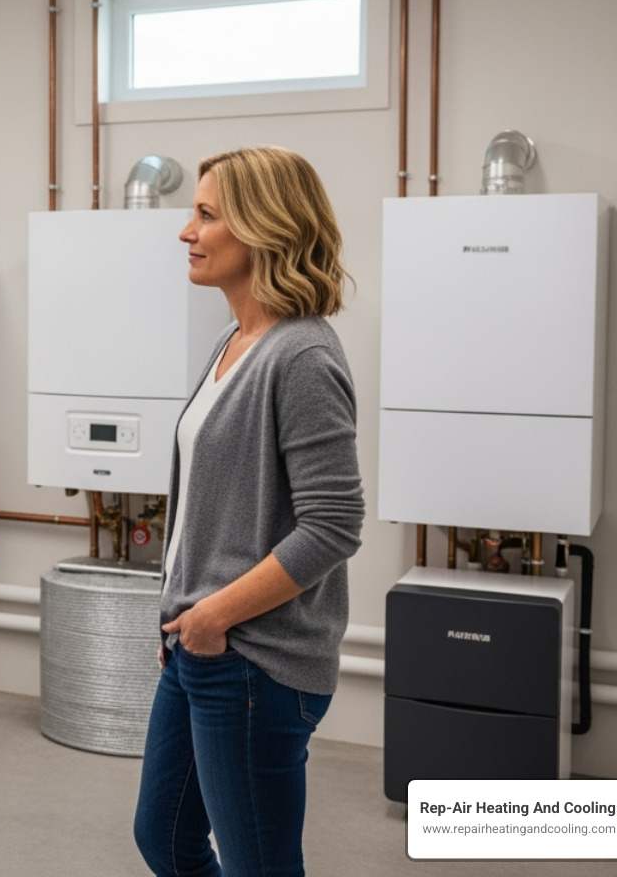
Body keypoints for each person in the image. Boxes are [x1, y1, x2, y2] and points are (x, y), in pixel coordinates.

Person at [133, 146, 365, 877]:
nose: (185, 232)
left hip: (253, 659)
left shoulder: (299, 357)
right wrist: (187, 619)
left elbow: (334, 525)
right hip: (198, 646)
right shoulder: (234, 343)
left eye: (206, 215)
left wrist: (214, 617)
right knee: (164, 840)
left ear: (265, 227)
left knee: (259, 864)